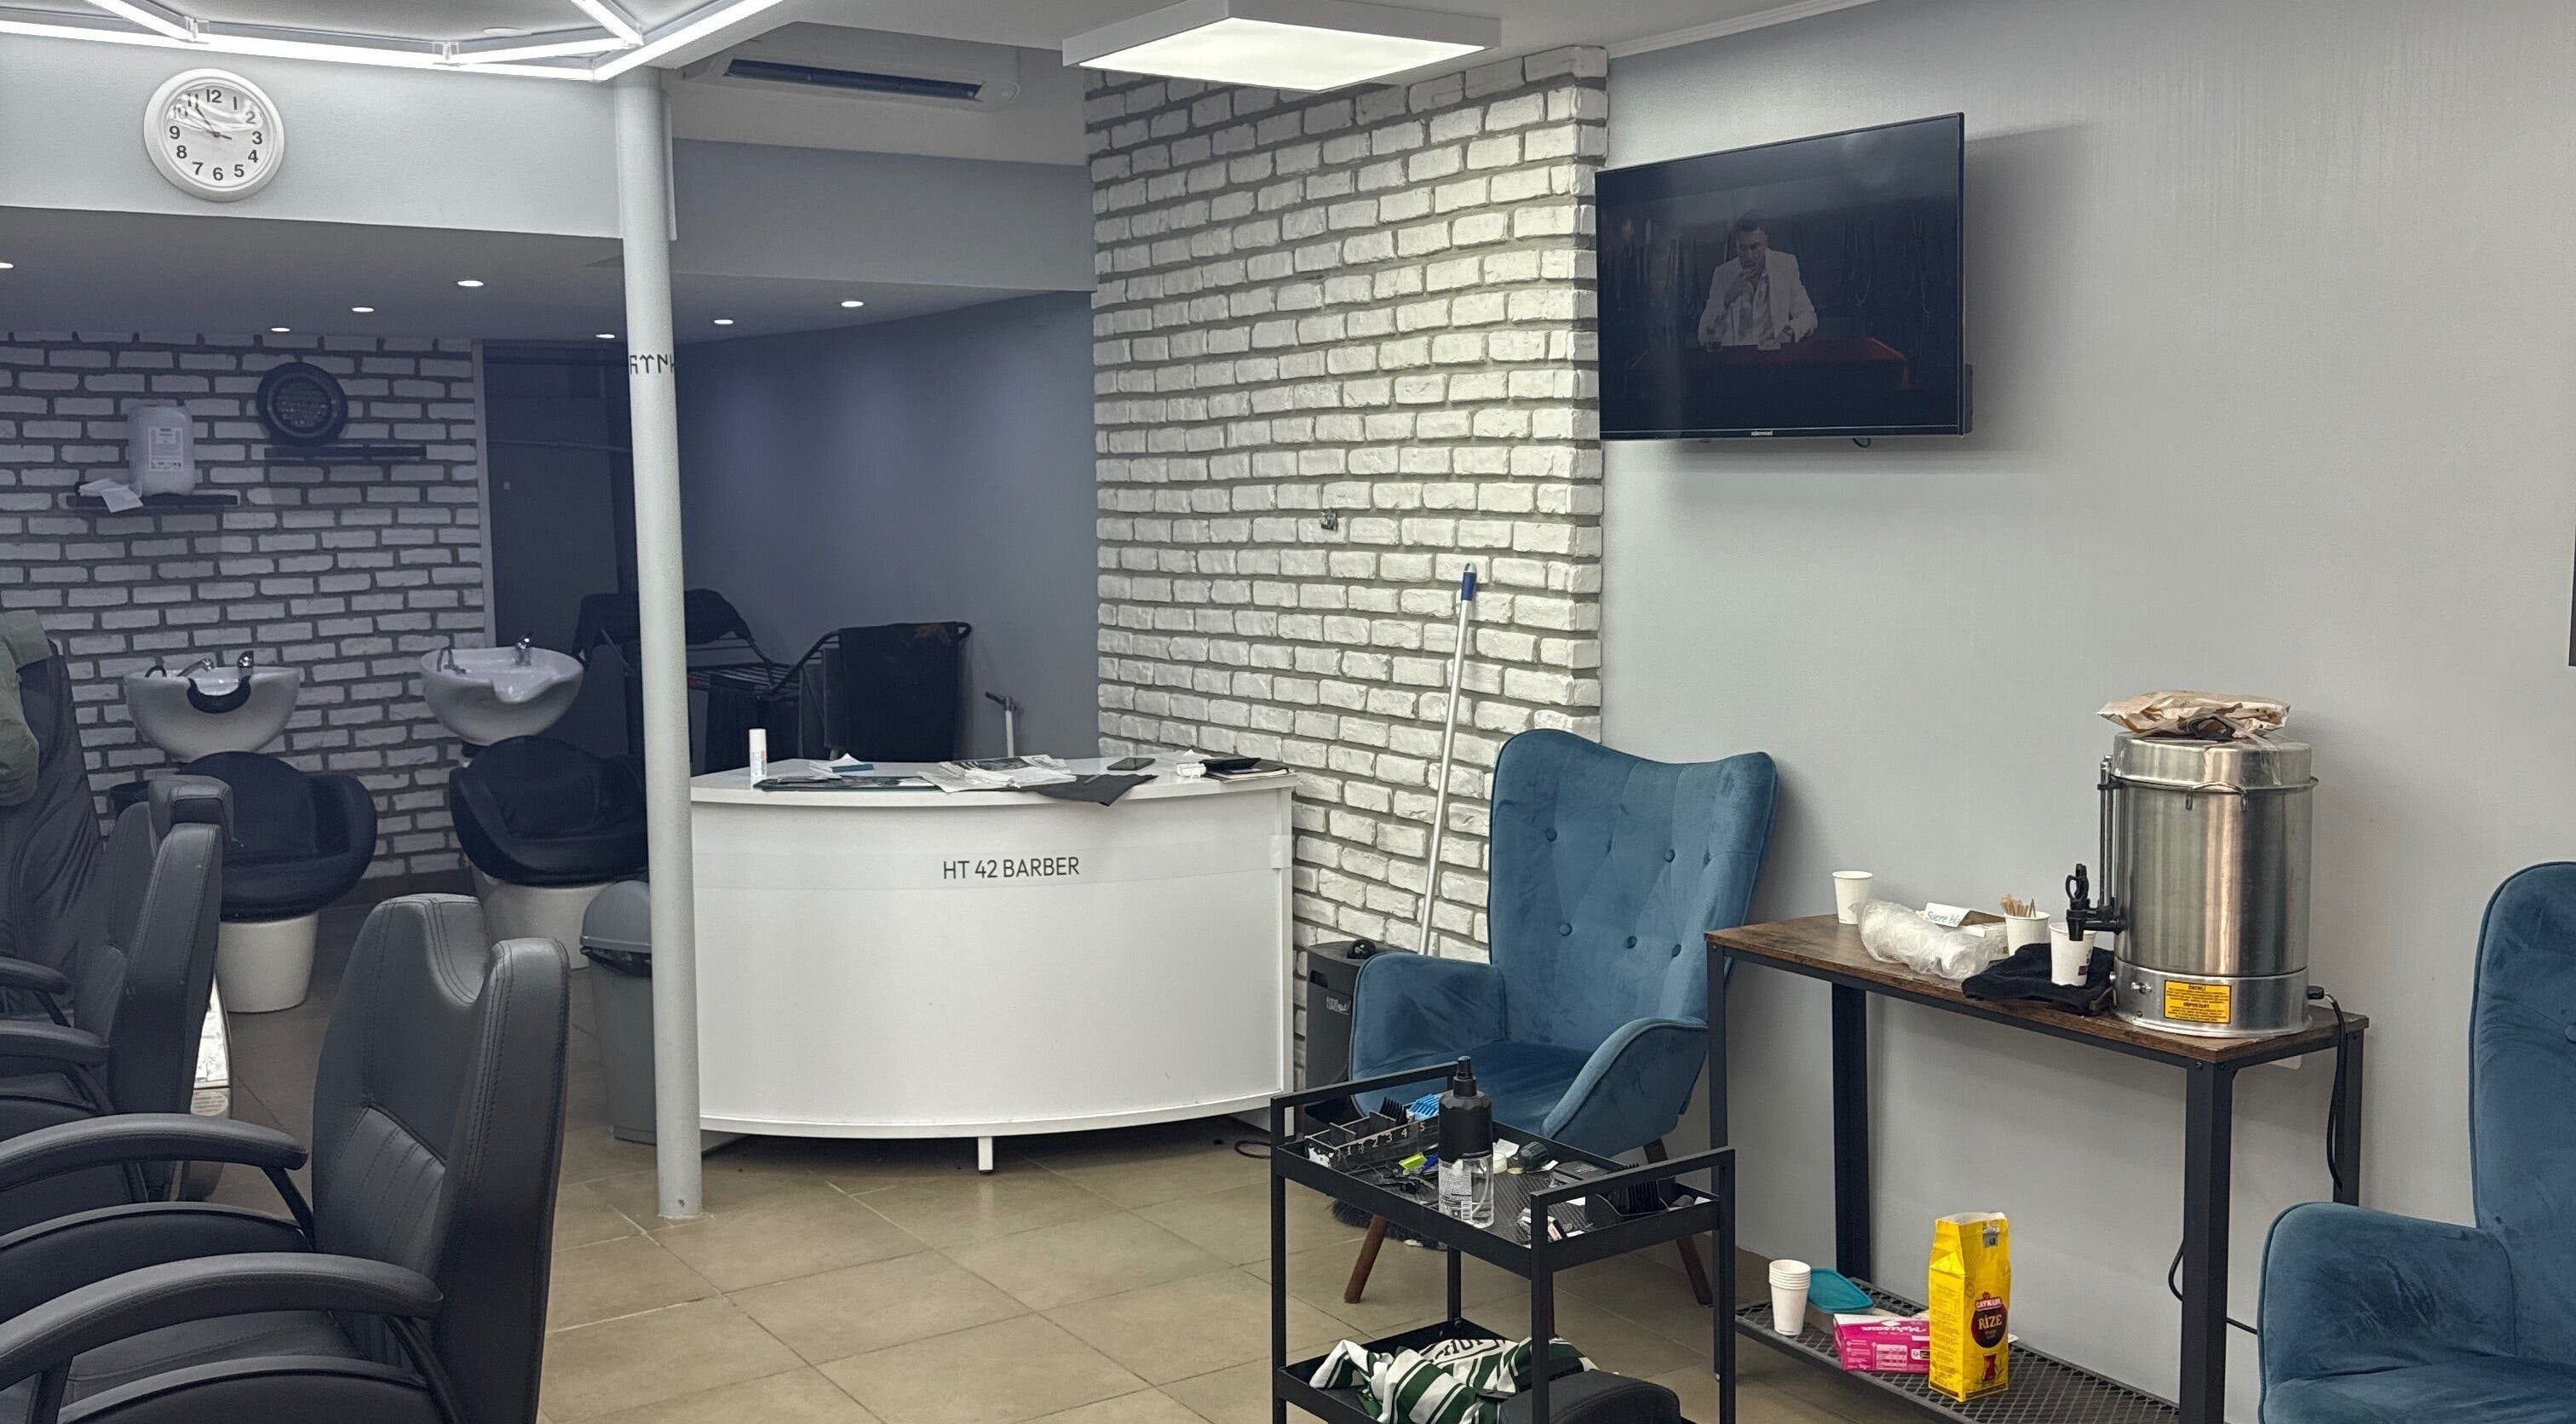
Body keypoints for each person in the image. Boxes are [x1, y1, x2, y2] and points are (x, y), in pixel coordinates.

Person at [1696, 215, 1816, 349]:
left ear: (1766, 242)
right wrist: (1726, 301)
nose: (1749, 256)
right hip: (1735, 362)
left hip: (1773, 359)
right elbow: (1702, 335)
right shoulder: (1723, 275)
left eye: (1754, 247)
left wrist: (1789, 331)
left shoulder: (1785, 266)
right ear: (1737, 245)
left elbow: (1809, 316)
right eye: (1743, 248)